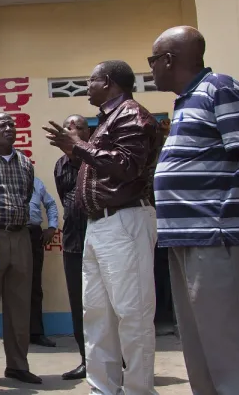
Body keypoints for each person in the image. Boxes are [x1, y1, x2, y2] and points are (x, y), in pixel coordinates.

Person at [150, 26, 239, 393]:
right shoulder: (187, 100)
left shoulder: (220, 88)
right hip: (186, 240)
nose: (151, 69)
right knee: (201, 347)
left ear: (169, 59)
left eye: (152, 60)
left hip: (217, 239)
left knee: (234, 349)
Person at [43, 60, 159, 395]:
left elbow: (127, 166)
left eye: (91, 80)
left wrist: (77, 147)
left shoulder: (132, 115)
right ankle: (103, 389)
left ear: (107, 82)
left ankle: (138, 390)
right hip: (100, 226)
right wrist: (79, 148)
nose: (86, 85)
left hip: (124, 222)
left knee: (132, 314)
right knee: (97, 316)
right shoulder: (109, 120)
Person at [0, 113, 41, 387]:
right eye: (2, 125)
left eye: (12, 124)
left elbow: (25, 196)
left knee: (20, 306)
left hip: (21, 237)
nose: (9, 128)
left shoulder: (25, 161)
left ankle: (17, 365)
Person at [53, 114, 90, 381]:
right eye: (69, 126)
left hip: (101, 237)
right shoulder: (59, 165)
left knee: (107, 304)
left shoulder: (96, 159)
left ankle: (118, 360)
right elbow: (65, 198)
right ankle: (86, 360)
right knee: (79, 304)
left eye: (79, 127)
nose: (73, 130)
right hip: (73, 242)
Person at [27, 176, 59, 348]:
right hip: (9, 233)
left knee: (34, 286)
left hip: (33, 235)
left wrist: (52, 227)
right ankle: (16, 335)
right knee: (10, 286)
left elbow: (51, 204)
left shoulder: (36, 182)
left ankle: (36, 332)